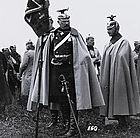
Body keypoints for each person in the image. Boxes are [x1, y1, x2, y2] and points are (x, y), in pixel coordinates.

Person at [39, 9, 104, 137]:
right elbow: (49, 51)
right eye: (63, 20)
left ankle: (73, 127)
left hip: (70, 71)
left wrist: (68, 59)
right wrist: (52, 59)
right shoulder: (54, 35)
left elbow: (82, 53)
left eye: (68, 20)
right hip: (57, 71)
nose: (66, 22)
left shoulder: (74, 34)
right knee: (62, 99)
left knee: (72, 99)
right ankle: (66, 124)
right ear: (58, 21)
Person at [99, 15, 140, 129]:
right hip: (110, 76)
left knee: (120, 96)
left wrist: (115, 65)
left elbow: (122, 57)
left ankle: (123, 120)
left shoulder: (124, 42)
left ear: (116, 28)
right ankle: (113, 118)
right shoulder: (108, 45)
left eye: (110, 29)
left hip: (119, 75)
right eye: (107, 30)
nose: (108, 32)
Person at [27, 17, 54, 125]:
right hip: (41, 67)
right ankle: (38, 113)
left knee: (52, 93)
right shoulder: (41, 37)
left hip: (52, 67)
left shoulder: (54, 35)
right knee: (39, 89)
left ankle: (55, 118)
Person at [18, 40, 35, 107]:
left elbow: (24, 64)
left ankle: (26, 105)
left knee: (26, 90)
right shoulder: (36, 52)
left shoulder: (27, 53)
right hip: (35, 72)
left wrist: (20, 72)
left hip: (28, 73)